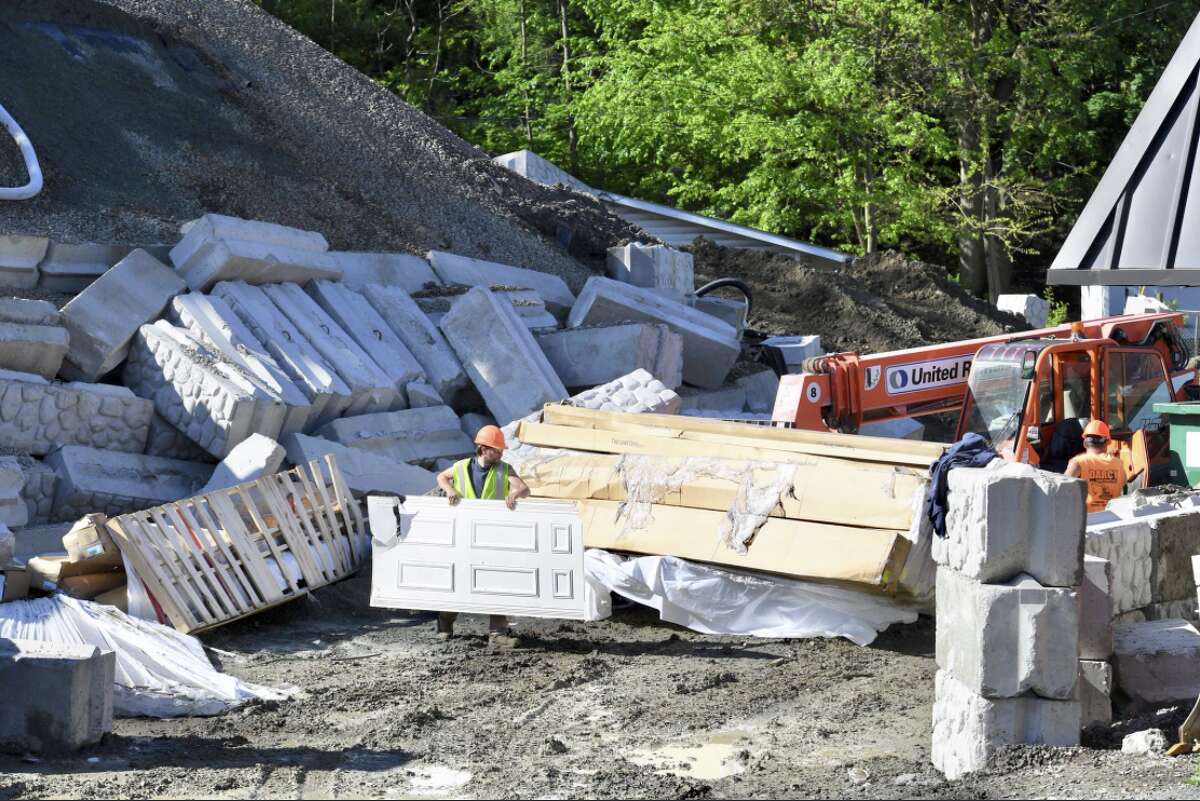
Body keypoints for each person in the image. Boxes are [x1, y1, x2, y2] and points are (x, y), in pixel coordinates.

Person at [432, 425, 531, 639]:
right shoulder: (461, 467)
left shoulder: (504, 469)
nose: (501, 453)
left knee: (495, 580)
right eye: (497, 449)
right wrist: (449, 491)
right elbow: (441, 477)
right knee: (458, 578)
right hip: (464, 532)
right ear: (483, 448)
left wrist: (514, 494)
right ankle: (445, 624)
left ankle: (497, 629)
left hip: (492, 533)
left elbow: (525, 489)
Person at [1065, 420, 1127, 514]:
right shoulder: (1119, 464)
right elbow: (1124, 491)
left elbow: (1062, 491)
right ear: (1108, 442)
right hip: (1113, 518)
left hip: (1087, 522)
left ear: (1085, 443)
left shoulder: (1077, 463)